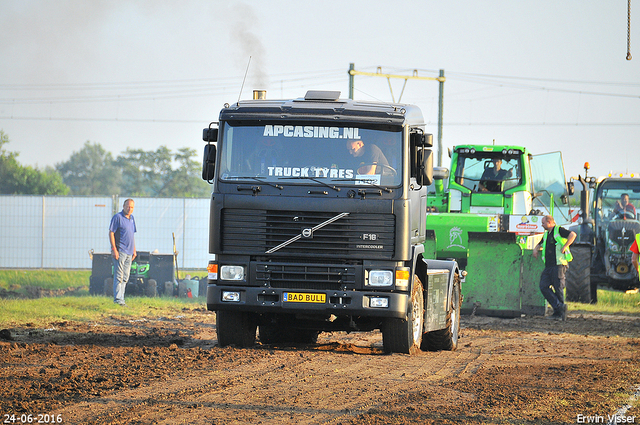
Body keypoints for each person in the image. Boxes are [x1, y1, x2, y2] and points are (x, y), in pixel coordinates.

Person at [533, 215, 577, 321]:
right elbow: (540, 244)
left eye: (543, 223)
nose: (542, 225)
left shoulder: (559, 230)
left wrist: (565, 245)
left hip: (559, 264)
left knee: (558, 288)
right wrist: (535, 249)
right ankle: (559, 307)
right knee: (543, 286)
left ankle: (560, 314)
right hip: (549, 266)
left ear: (549, 222)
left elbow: (573, 234)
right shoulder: (546, 234)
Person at [109, 199, 137, 306]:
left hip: (129, 252)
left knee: (125, 276)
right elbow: (111, 233)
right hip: (120, 251)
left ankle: (122, 298)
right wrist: (114, 249)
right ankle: (117, 299)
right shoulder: (118, 217)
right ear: (123, 206)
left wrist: (134, 249)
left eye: (132, 207)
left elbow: (132, 235)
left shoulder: (132, 219)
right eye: (128, 206)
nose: (130, 209)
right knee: (119, 276)